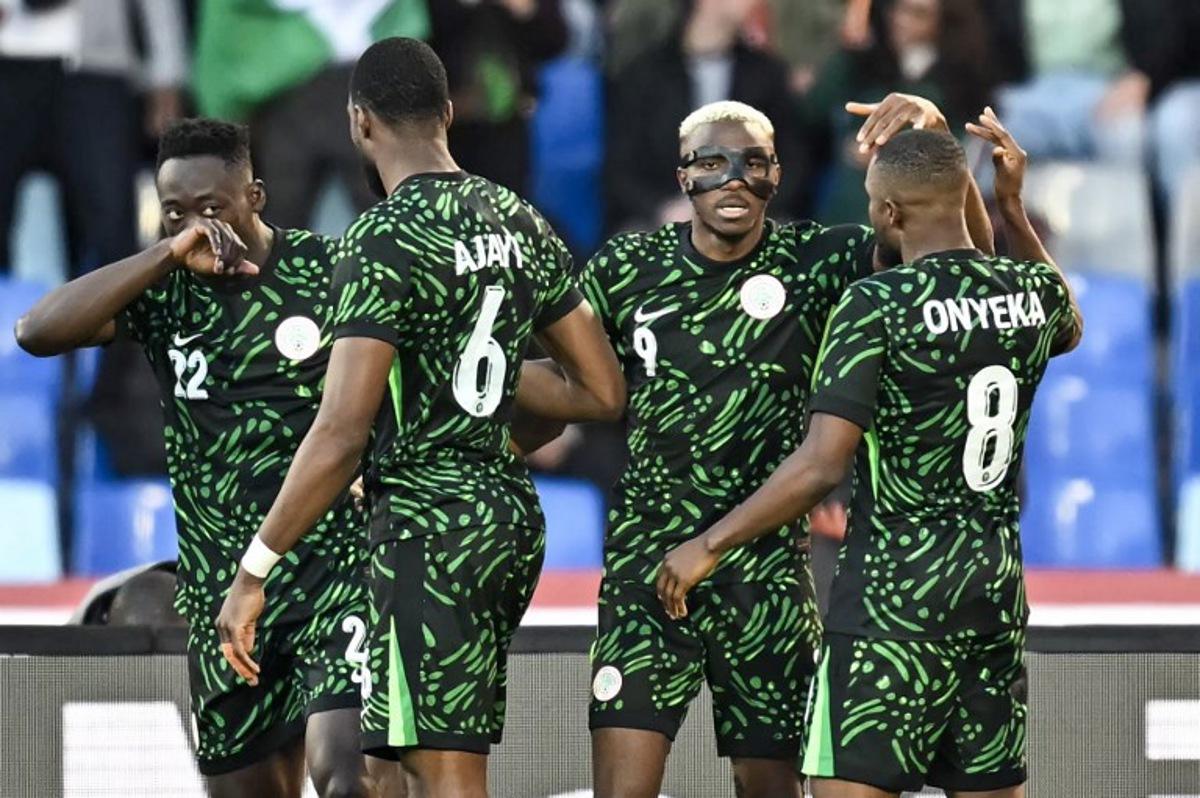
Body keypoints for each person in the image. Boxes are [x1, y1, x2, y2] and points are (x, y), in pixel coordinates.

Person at [214, 37, 625, 798]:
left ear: (359, 122)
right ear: (448, 113)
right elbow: (600, 391)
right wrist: (480, 402)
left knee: (442, 769)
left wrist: (254, 569)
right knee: (384, 765)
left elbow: (341, 432)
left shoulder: (381, 237)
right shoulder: (520, 220)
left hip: (427, 530)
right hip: (506, 518)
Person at [568, 96, 994, 798]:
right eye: (712, 163)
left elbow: (962, 265)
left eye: (753, 163)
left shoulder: (821, 258)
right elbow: (569, 377)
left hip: (766, 575)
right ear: (683, 177)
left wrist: (942, 146)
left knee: (768, 785)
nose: (733, 179)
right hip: (649, 566)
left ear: (777, 174)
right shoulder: (626, 265)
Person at [657, 117, 1083, 797]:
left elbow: (821, 465)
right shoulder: (1028, 292)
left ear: (888, 212)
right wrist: (1009, 206)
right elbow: (1068, 325)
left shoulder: (875, 304)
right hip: (994, 591)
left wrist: (709, 544)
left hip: (893, 602)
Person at [15, 119, 374, 797]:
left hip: (335, 576)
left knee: (349, 780)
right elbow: (37, 331)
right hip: (223, 599)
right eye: (175, 212)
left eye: (212, 207)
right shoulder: (164, 291)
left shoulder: (328, 270)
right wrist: (164, 253)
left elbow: (398, 378)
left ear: (255, 197)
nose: (197, 226)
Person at [604, 0, 806, 233]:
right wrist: (663, 209)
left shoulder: (765, 75)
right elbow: (621, 168)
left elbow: (793, 160)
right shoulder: (645, 76)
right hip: (663, 220)